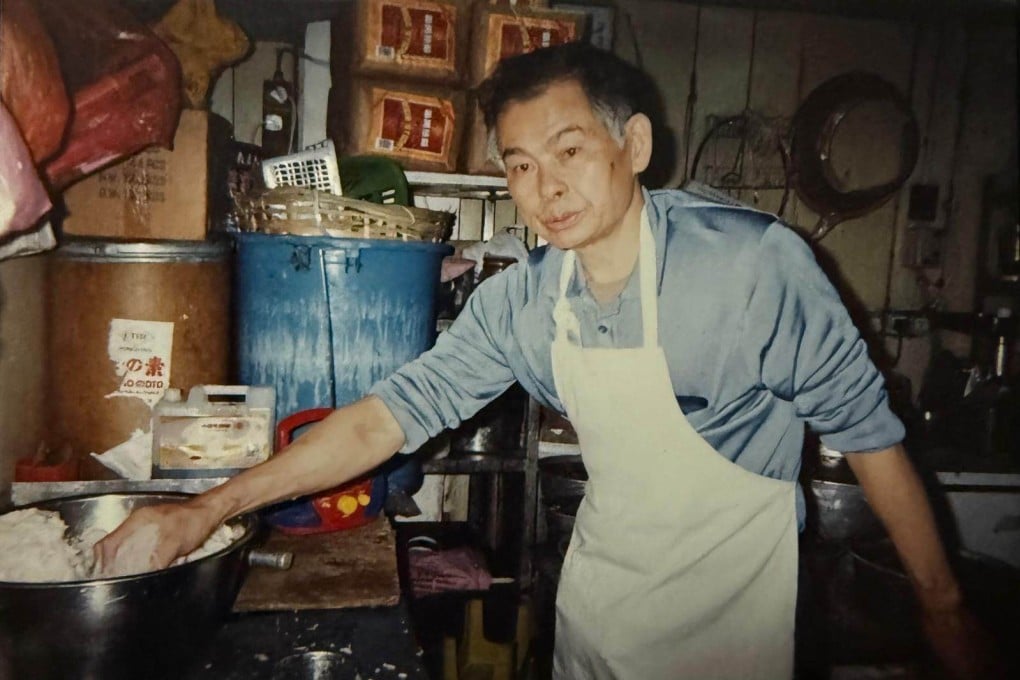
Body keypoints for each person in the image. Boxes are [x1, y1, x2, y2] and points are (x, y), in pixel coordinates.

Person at [99, 43, 997, 679]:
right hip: (595, 630)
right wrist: (206, 508)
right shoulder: (524, 302)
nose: (546, 188)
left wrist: (943, 606)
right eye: (521, 166)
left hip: (730, 644)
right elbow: (383, 419)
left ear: (633, 146)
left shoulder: (750, 270)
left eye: (569, 151)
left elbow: (869, 435)